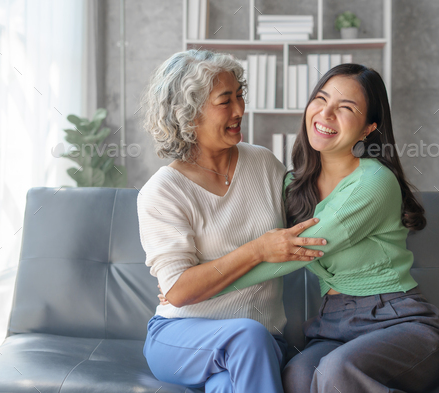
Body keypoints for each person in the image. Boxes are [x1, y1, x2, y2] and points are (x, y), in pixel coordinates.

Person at [208, 64, 439, 392]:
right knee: (296, 378)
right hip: (332, 323)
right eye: (320, 99)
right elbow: (247, 226)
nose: (326, 113)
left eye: (346, 108)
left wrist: (206, 284)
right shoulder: (292, 186)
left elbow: (300, 249)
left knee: (336, 372)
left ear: (368, 128)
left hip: (399, 322)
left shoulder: (375, 180)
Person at [136, 49, 326, 393]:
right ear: (189, 113)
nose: (240, 110)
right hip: (180, 338)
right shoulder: (163, 191)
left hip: (261, 340)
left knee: (228, 383)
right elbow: (179, 292)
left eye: (240, 96)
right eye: (226, 101)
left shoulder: (264, 164)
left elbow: (312, 220)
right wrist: (258, 250)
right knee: (247, 336)